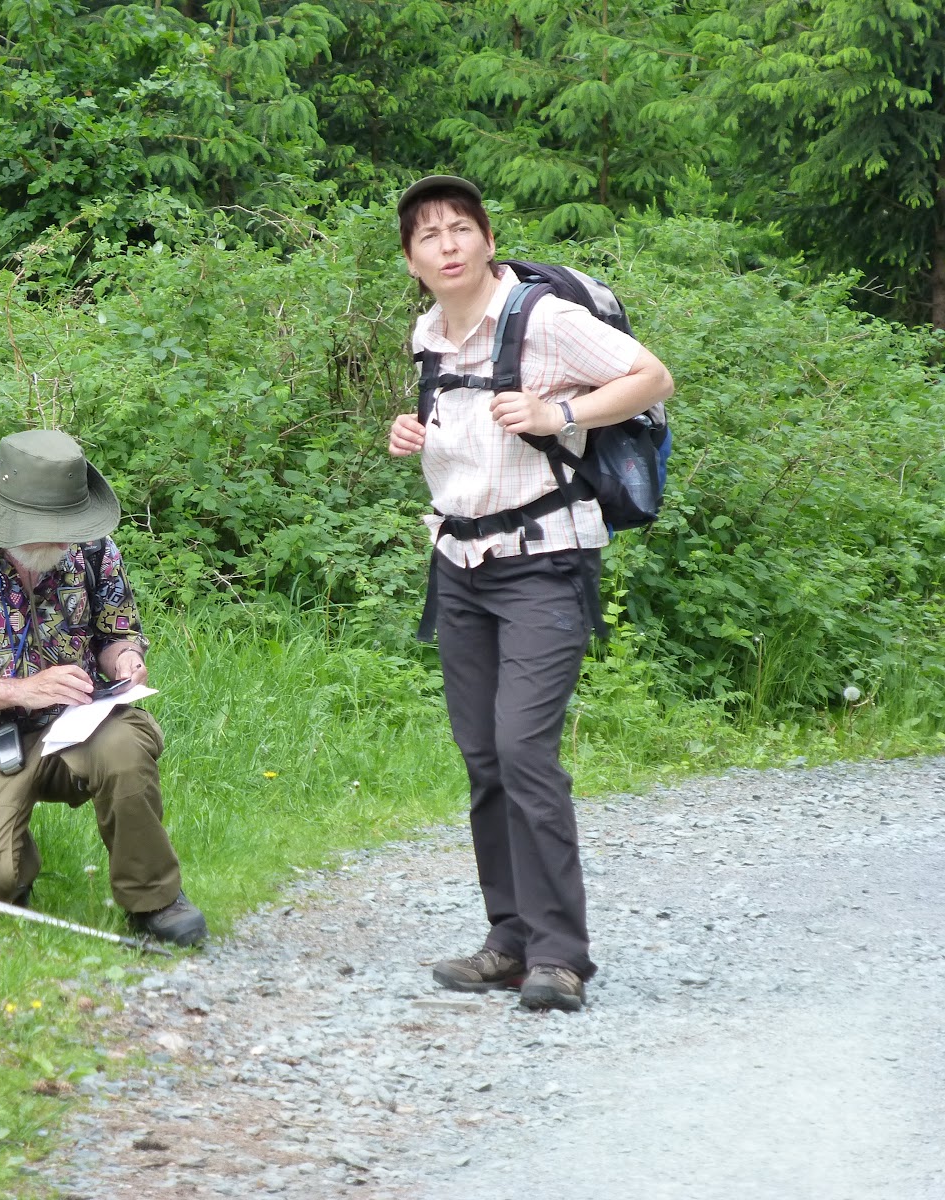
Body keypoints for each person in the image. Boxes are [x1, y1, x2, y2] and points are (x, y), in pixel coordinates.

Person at [388, 175, 674, 1011]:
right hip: (459, 564)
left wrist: (563, 417)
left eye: (460, 228)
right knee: (483, 756)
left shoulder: (542, 317)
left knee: (522, 749)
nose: (447, 245)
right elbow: (463, 434)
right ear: (411, 260)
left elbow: (652, 377)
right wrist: (410, 433)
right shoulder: (427, 333)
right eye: (428, 235)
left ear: (486, 238)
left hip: (545, 560)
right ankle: (509, 942)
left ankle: (560, 956)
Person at [0, 428, 207, 947]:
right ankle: (6, 858)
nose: (65, 540)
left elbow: (116, 634)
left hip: (80, 726)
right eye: (50, 528)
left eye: (71, 524)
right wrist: (22, 690)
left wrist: (126, 659)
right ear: (6, 520)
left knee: (126, 746)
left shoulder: (94, 549)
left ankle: (154, 899)